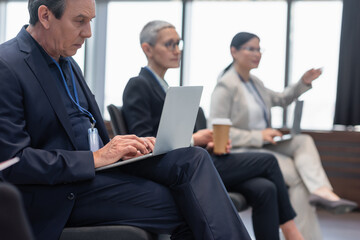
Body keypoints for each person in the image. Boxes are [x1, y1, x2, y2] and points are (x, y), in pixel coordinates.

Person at [0, 1, 254, 239]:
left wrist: (122, 149)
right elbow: (12, 162)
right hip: (59, 192)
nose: (88, 33)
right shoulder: (8, 66)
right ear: (45, 16)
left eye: (91, 21)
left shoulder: (65, 61)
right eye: (79, 21)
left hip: (97, 172)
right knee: (192, 204)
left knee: (193, 158)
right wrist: (95, 158)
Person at [122, 20, 304, 240]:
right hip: (175, 167)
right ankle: (292, 232)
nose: (177, 50)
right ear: (147, 49)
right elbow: (141, 141)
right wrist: (193, 139)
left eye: (178, 44)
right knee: (268, 161)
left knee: (265, 188)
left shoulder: (168, 88)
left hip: (195, 158)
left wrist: (206, 141)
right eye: (169, 44)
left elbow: (183, 136)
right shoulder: (138, 85)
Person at [210, 31, 358, 240]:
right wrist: (258, 135)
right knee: (297, 178)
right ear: (234, 52)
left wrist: (302, 83)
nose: (257, 54)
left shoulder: (255, 83)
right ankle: (301, 235)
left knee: (303, 141)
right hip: (242, 151)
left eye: (259, 49)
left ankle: (323, 191)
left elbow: (281, 99)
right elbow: (217, 131)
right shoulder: (226, 85)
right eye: (251, 49)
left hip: (263, 146)